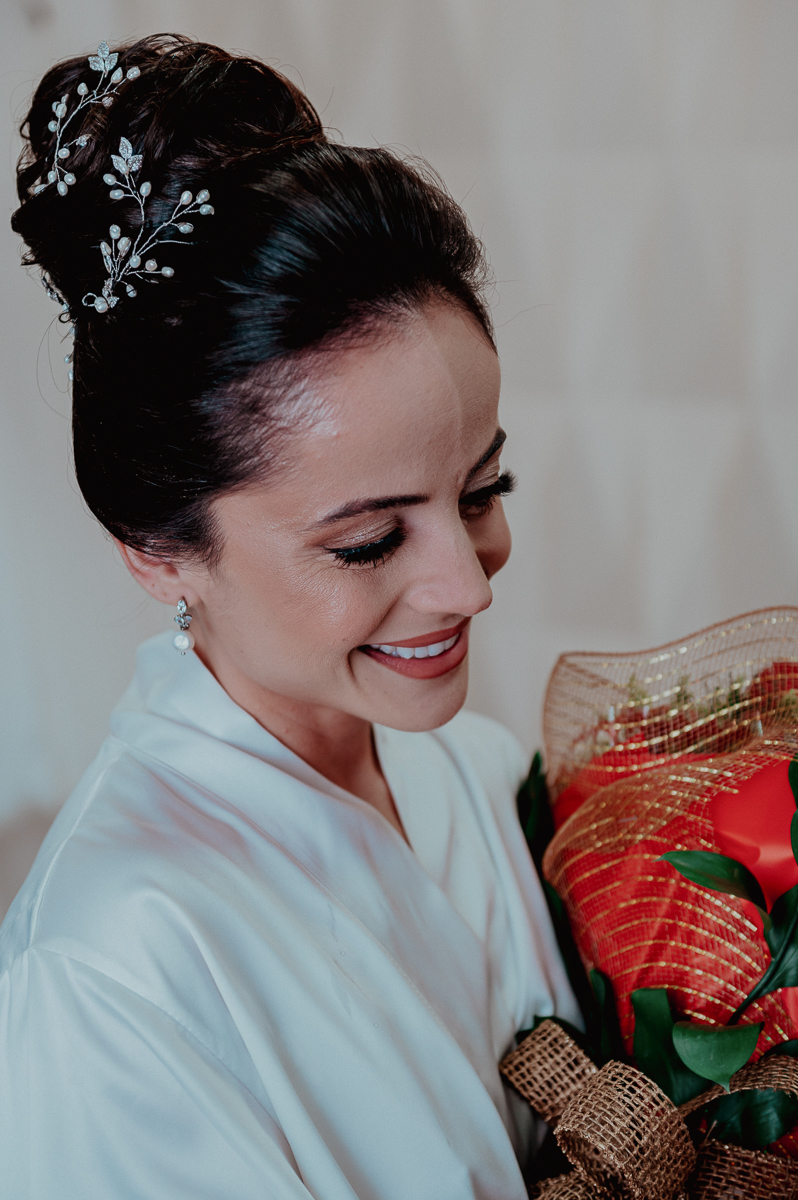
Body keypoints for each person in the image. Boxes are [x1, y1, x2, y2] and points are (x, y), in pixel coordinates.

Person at [1, 34, 579, 1200]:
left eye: (482, 493)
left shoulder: (477, 770)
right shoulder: (113, 968)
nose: (467, 584)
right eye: (367, 541)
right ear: (159, 553)